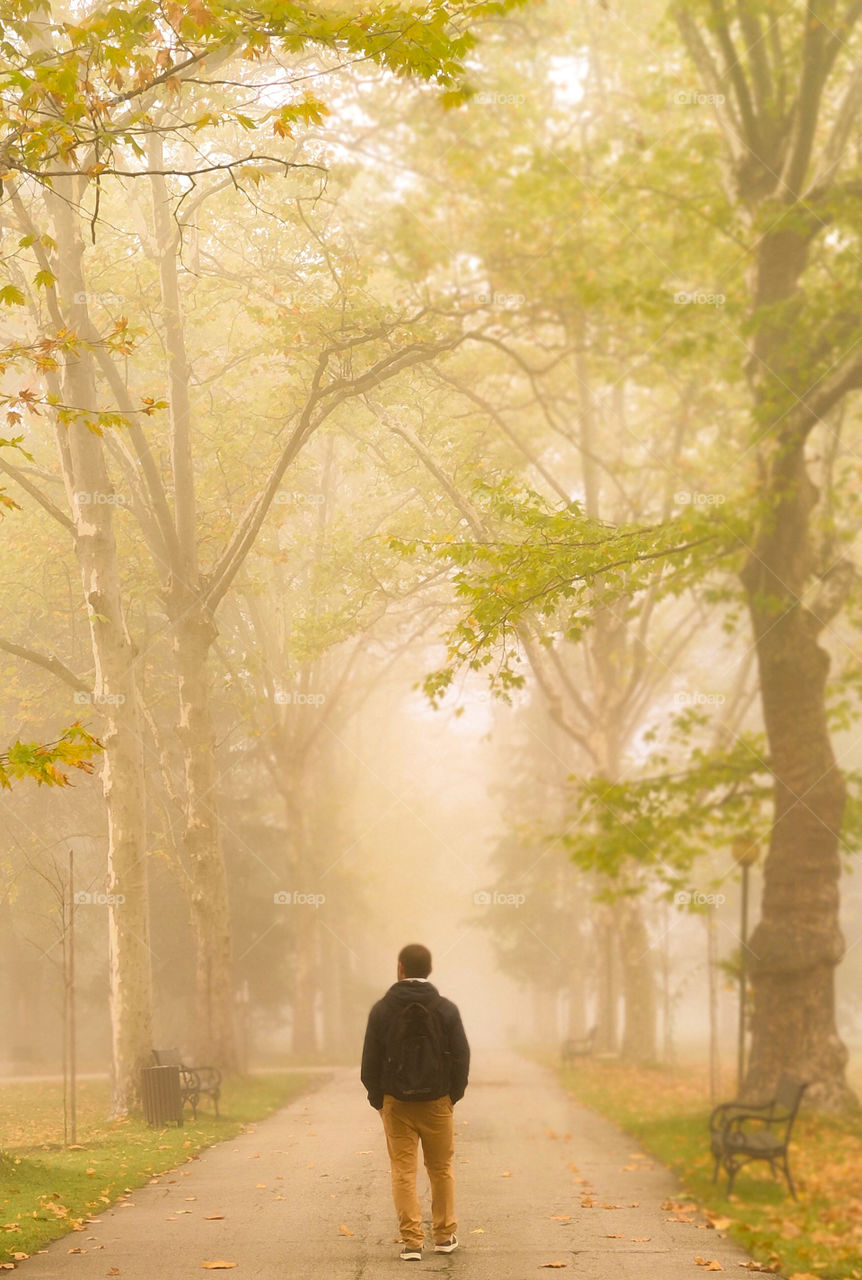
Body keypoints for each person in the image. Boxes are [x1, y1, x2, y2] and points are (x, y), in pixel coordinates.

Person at [361, 943, 470, 1262]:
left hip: (396, 1103)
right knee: (441, 1168)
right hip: (438, 1102)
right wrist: (452, 1096)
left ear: (400, 968)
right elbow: (462, 1056)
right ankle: (445, 1235)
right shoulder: (446, 1009)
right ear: (430, 970)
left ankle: (411, 1242)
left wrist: (379, 1100)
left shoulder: (382, 1010)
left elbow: (370, 1061)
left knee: (403, 1171)